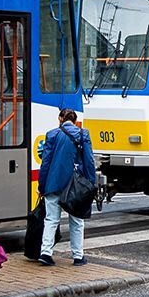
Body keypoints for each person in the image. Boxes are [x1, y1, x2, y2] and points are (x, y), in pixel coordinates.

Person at [36, 108, 96, 266]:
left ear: (60, 119)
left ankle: (46, 253)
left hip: (53, 183)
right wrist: (91, 184)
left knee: (51, 220)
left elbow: (46, 163)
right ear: (75, 121)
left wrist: (42, 186)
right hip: (75, 185)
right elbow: (89, 161)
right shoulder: (83, 134)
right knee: (76, 221)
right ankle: (78, 256)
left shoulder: (52, 134)